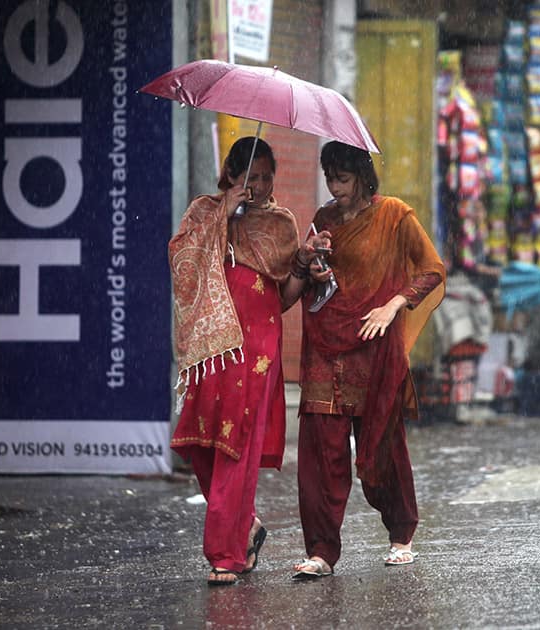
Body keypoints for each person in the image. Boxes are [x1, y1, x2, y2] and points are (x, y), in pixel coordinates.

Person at [291, 141, 446, 578]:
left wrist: (393, 304)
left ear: (361, 176)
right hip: (327, 342)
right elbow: (320, 282)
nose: (334, 187)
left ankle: (401, 534)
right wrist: (315, 265)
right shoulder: (323, 220)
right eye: (329, 178)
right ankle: (321, 550)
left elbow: (431, 268)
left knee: (382, 446)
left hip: (375, 343)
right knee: (321, 447)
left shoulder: (394, 214)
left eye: (341, 178)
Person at [168, 137, 311, 586]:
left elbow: (284, 296)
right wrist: (223, 216)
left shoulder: (281, 224)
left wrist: (304, 268)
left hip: (258, 348)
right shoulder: (205, 213)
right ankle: (245, 525)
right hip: (213, 347)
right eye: (253, 177)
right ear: (231, 174)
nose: (263, 186)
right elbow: (182, 264)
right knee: (200, 442)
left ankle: (226, 554)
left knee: (238, 446)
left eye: (268, 176)